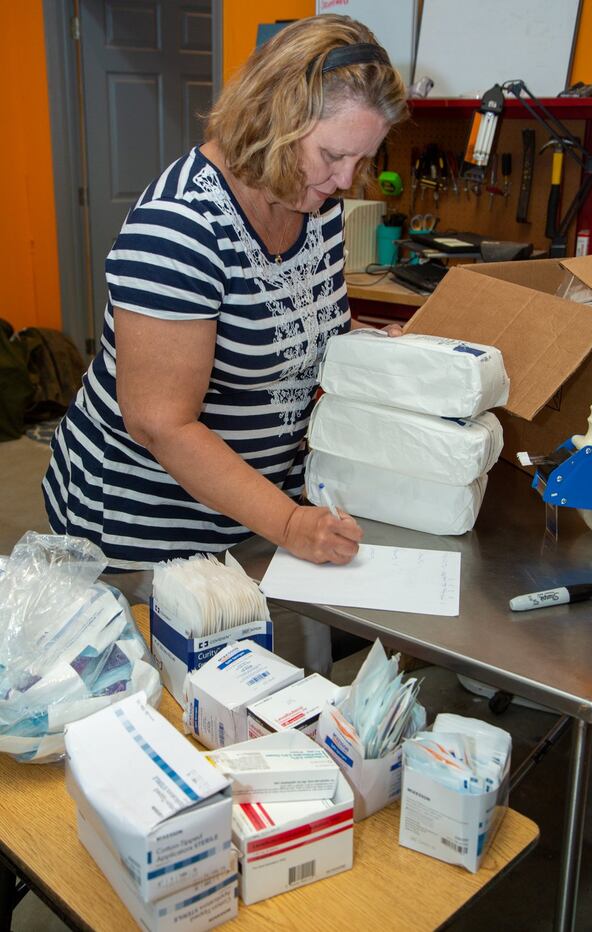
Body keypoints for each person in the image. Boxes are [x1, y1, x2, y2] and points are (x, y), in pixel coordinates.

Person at [42, 15, 407, 665]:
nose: (349, 180)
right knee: (171, 709)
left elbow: (300, 322)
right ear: (275, 118)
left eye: (364, 158)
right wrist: (291, 524)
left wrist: (372, 349)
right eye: (333, 155)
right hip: (145, 523)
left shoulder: (313, 204)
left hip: (248, 504)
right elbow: (160, 424)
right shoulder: (180, 227)